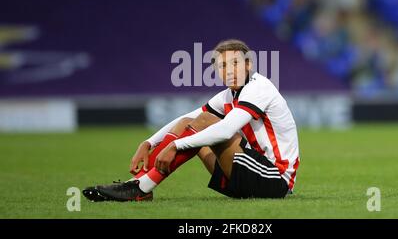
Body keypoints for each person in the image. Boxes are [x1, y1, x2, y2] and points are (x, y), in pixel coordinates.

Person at [83, 39, 300, 201]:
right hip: (251, 172)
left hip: (275, 179)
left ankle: (140, 188)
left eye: (235, 63)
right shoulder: (229, 95)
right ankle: (140, 184)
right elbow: (187, 119)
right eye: (222, 66)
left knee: (205, 122)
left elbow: (224, 130)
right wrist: (149, 143)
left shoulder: (258, 87)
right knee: (187, 123)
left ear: (248, 65)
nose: (229, 71)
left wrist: (175, 145)